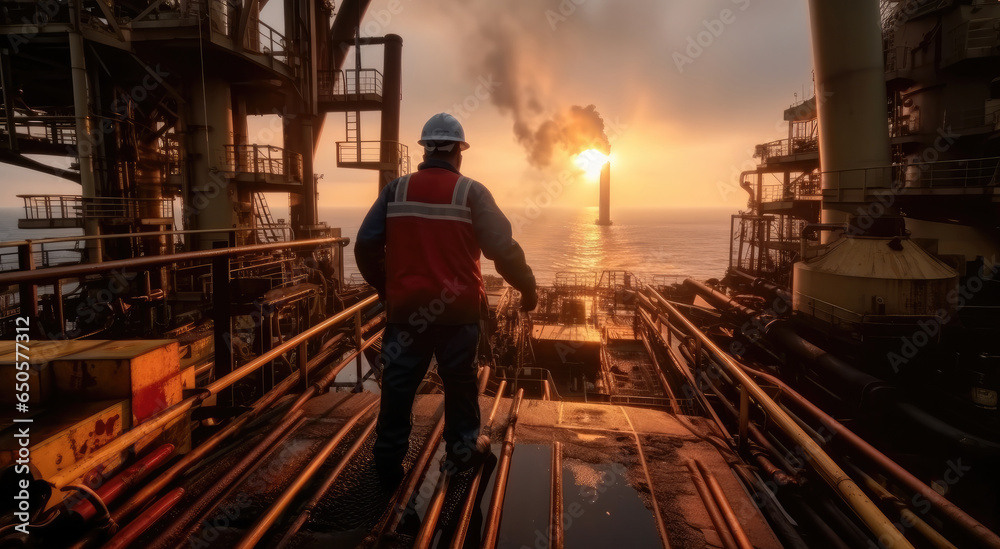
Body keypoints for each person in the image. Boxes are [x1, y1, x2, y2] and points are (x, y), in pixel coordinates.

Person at [355, 113, 537, 486]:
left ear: (424, 149)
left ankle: (388, 459)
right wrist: (527, 287)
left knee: (399, 386)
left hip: (406, 314)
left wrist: (386, 287)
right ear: (459, 151)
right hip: (458, 313)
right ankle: (463, 450)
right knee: (460, 384)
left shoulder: (396, 190)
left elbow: (366, 245)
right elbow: (501, 248)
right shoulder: (471, 192)